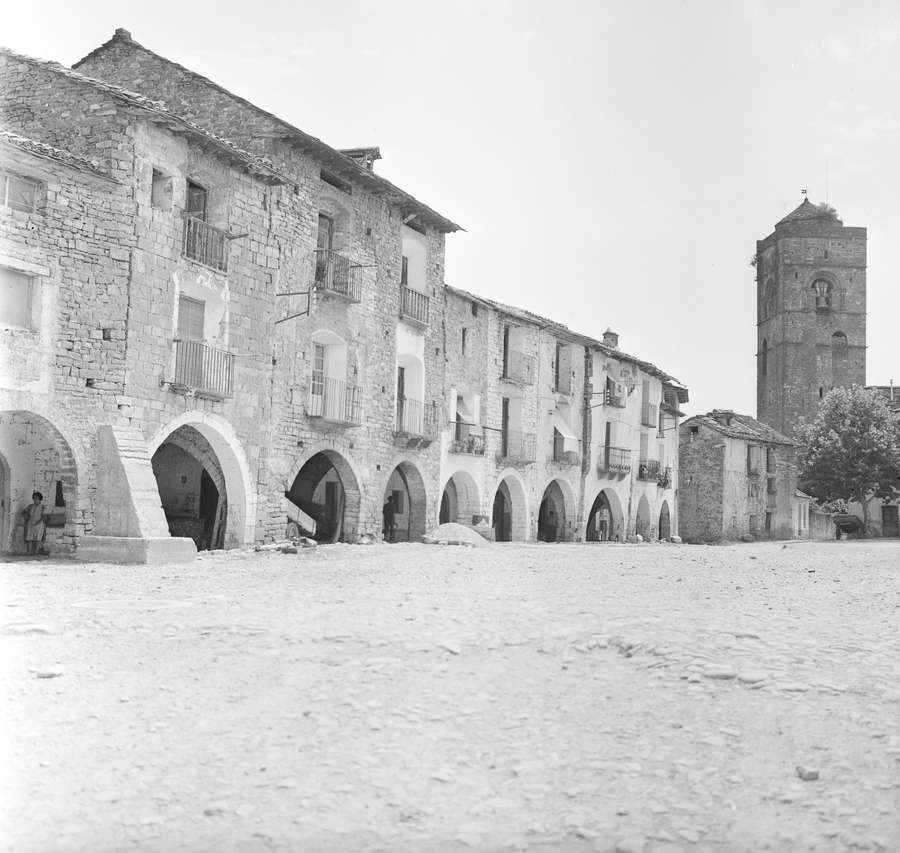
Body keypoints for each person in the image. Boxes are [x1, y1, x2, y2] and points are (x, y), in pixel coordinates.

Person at [23, 491, 46, 556]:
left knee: (38, 538)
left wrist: (38, 522)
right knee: (29, 537)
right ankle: (29, 552)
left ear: (40, 499)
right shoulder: (30, 506)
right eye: (34, 498)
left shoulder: (42, 507)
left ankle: (36, 553)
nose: (35, 500)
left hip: (39, 524)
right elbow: (23, 512)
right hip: (30, 523)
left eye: (37, 498)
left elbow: (43, 516)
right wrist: (26, 518)